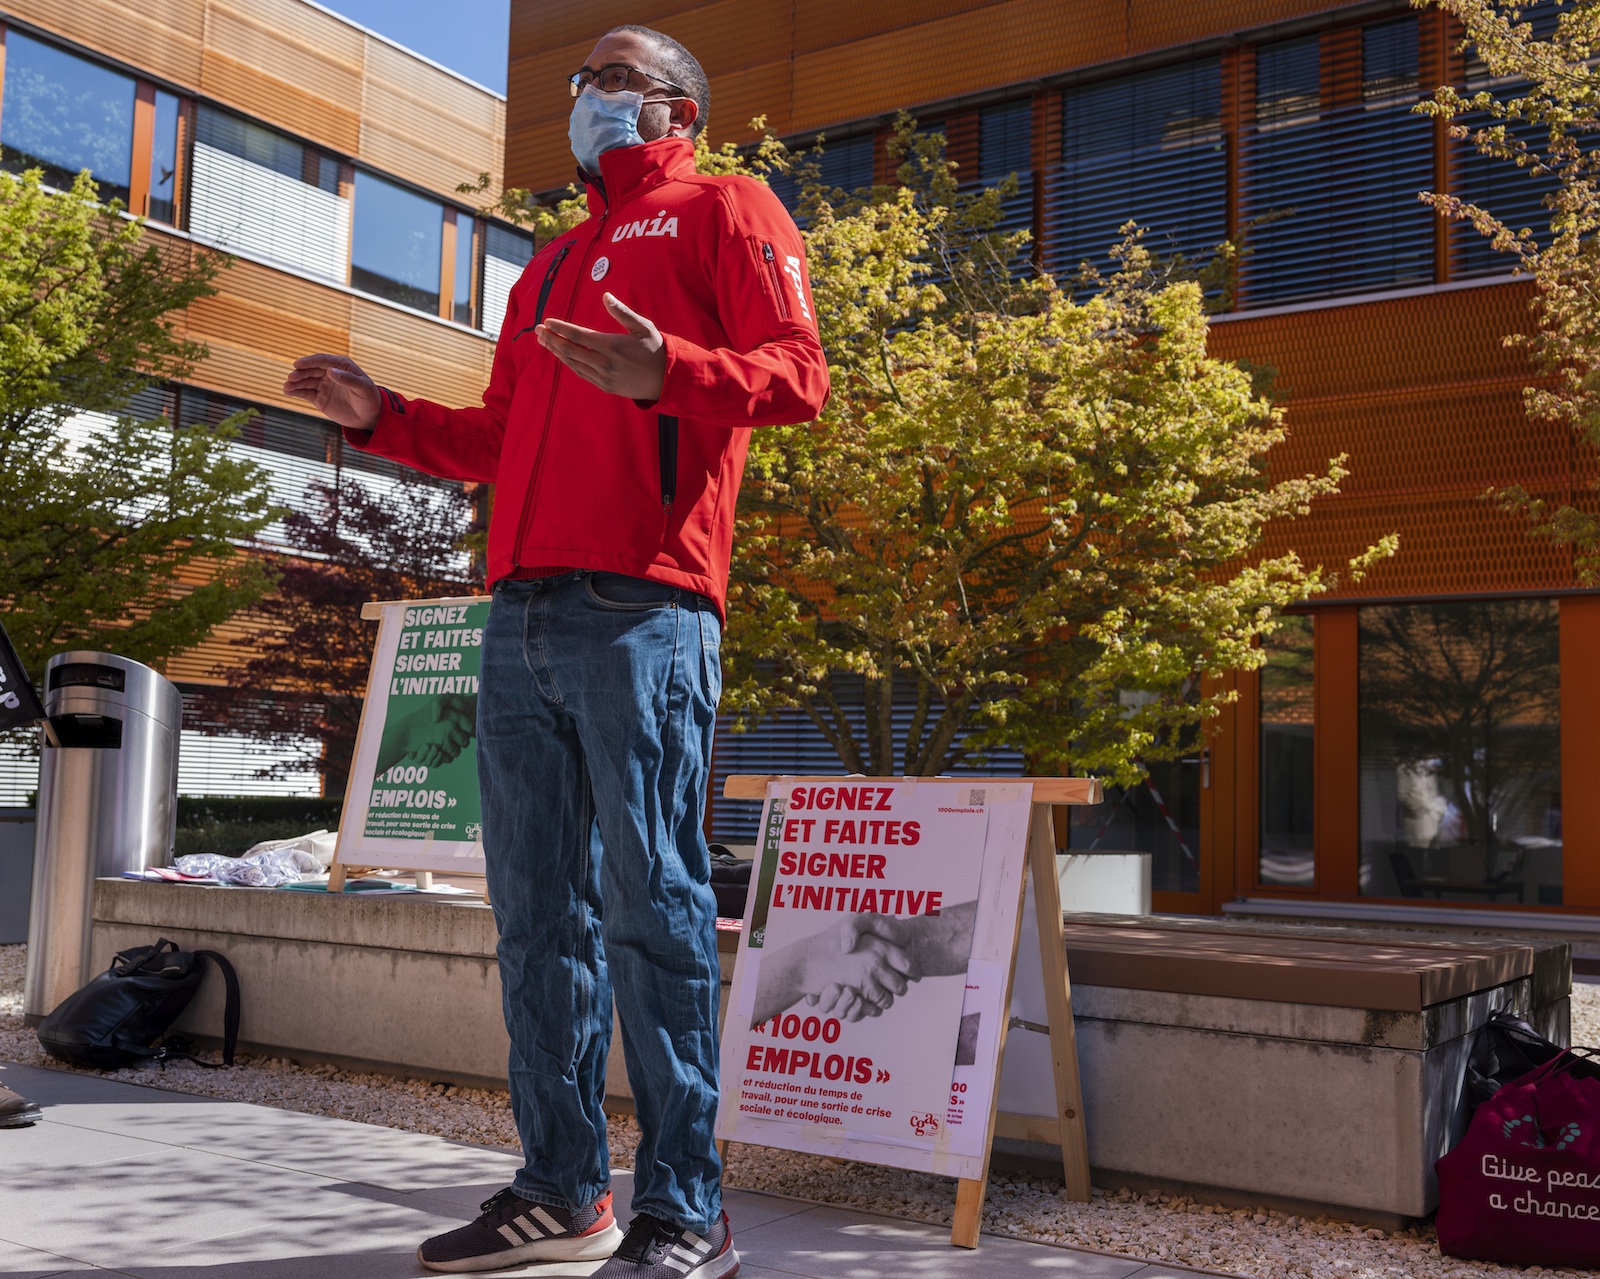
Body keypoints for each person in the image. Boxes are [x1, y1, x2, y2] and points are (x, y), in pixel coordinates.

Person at [284, 24, 827, 1279]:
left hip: (644, 607)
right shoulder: (548, 264)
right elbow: (499, 437)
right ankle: (561, 1191)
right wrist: (381, 419)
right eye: (583, 79)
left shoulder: (726, 207)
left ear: (678, 106)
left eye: (617, 76)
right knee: (534, 918)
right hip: (518, 611)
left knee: (654, 909)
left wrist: (665, 371)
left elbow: (798, 376)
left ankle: (686, 1210)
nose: (589, 94)